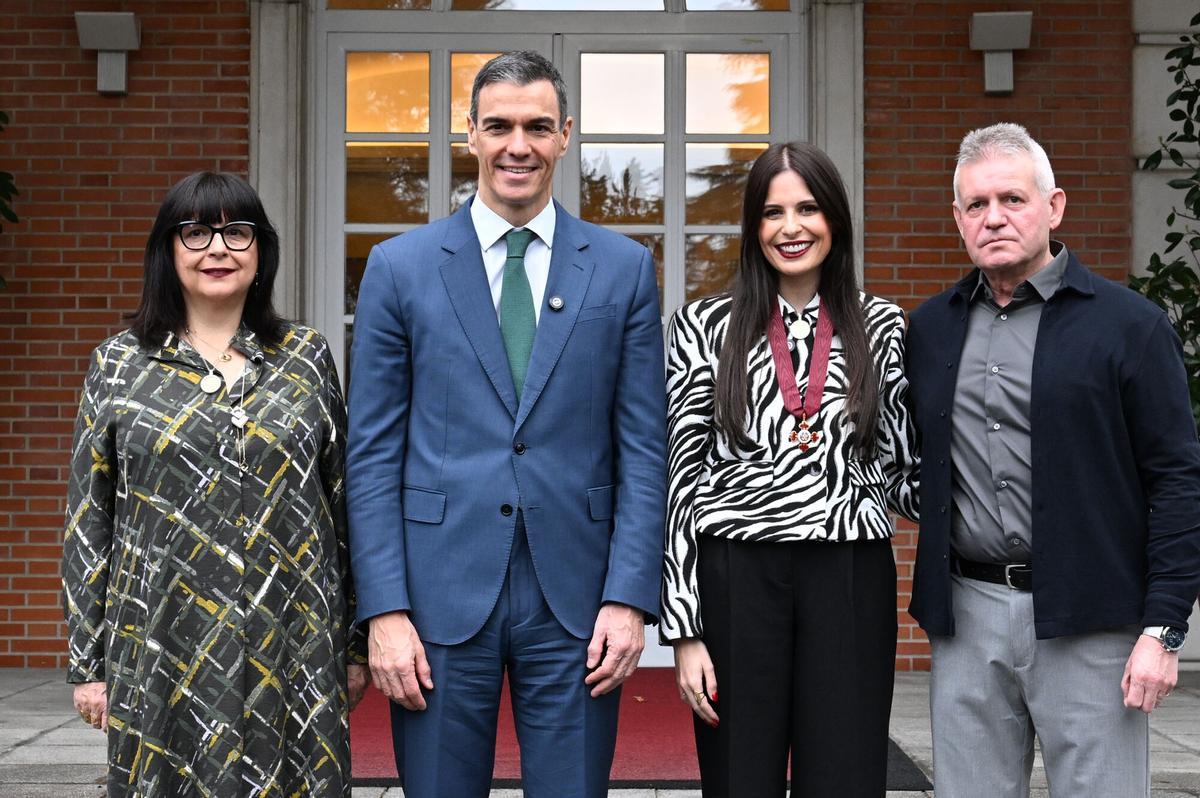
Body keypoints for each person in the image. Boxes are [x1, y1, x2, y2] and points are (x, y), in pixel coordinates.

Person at [345, 50, 667, 798]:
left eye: (536, 126)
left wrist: (628, 597)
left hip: (579, 602)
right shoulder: (401, 267)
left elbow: (644, 448)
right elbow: (371, 457)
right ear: (471, 135)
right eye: (499, 126)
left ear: (565, 136)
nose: (517, 144)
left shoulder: (622, 268)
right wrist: (384, 611)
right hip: (435, 598)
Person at [906, 122, 1200, 797]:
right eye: (976, 205)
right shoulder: (929, 329)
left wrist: (1164, 628)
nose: (994, 218)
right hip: (968, 616)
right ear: (958, 219)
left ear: (1054, 206)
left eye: (1012, 198)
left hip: (1093, 618)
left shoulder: (1130, 326)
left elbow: (1178, 482)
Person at [62, 172, 368, 797]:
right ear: (168, 252)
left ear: (261, 253)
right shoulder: (119, 362)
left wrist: (355, 642)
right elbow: (88, 521)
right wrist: (87, 664)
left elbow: (344, 505)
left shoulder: (304, 355)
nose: (218, 249)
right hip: (160, 639)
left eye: (237, 232)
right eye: (196, 232)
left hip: (293, 636)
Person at [660, 141, 920, 797]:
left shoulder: (882, 324)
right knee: (739, 776)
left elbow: (903, 472)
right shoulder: (702, 326)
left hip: (850, 575)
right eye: (773, 213)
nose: (791, 228)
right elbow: (679, 481)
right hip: (736, 576)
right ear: (753, 227)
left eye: (808, 208)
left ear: (834, 217)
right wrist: (683, 630)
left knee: (846, 776)